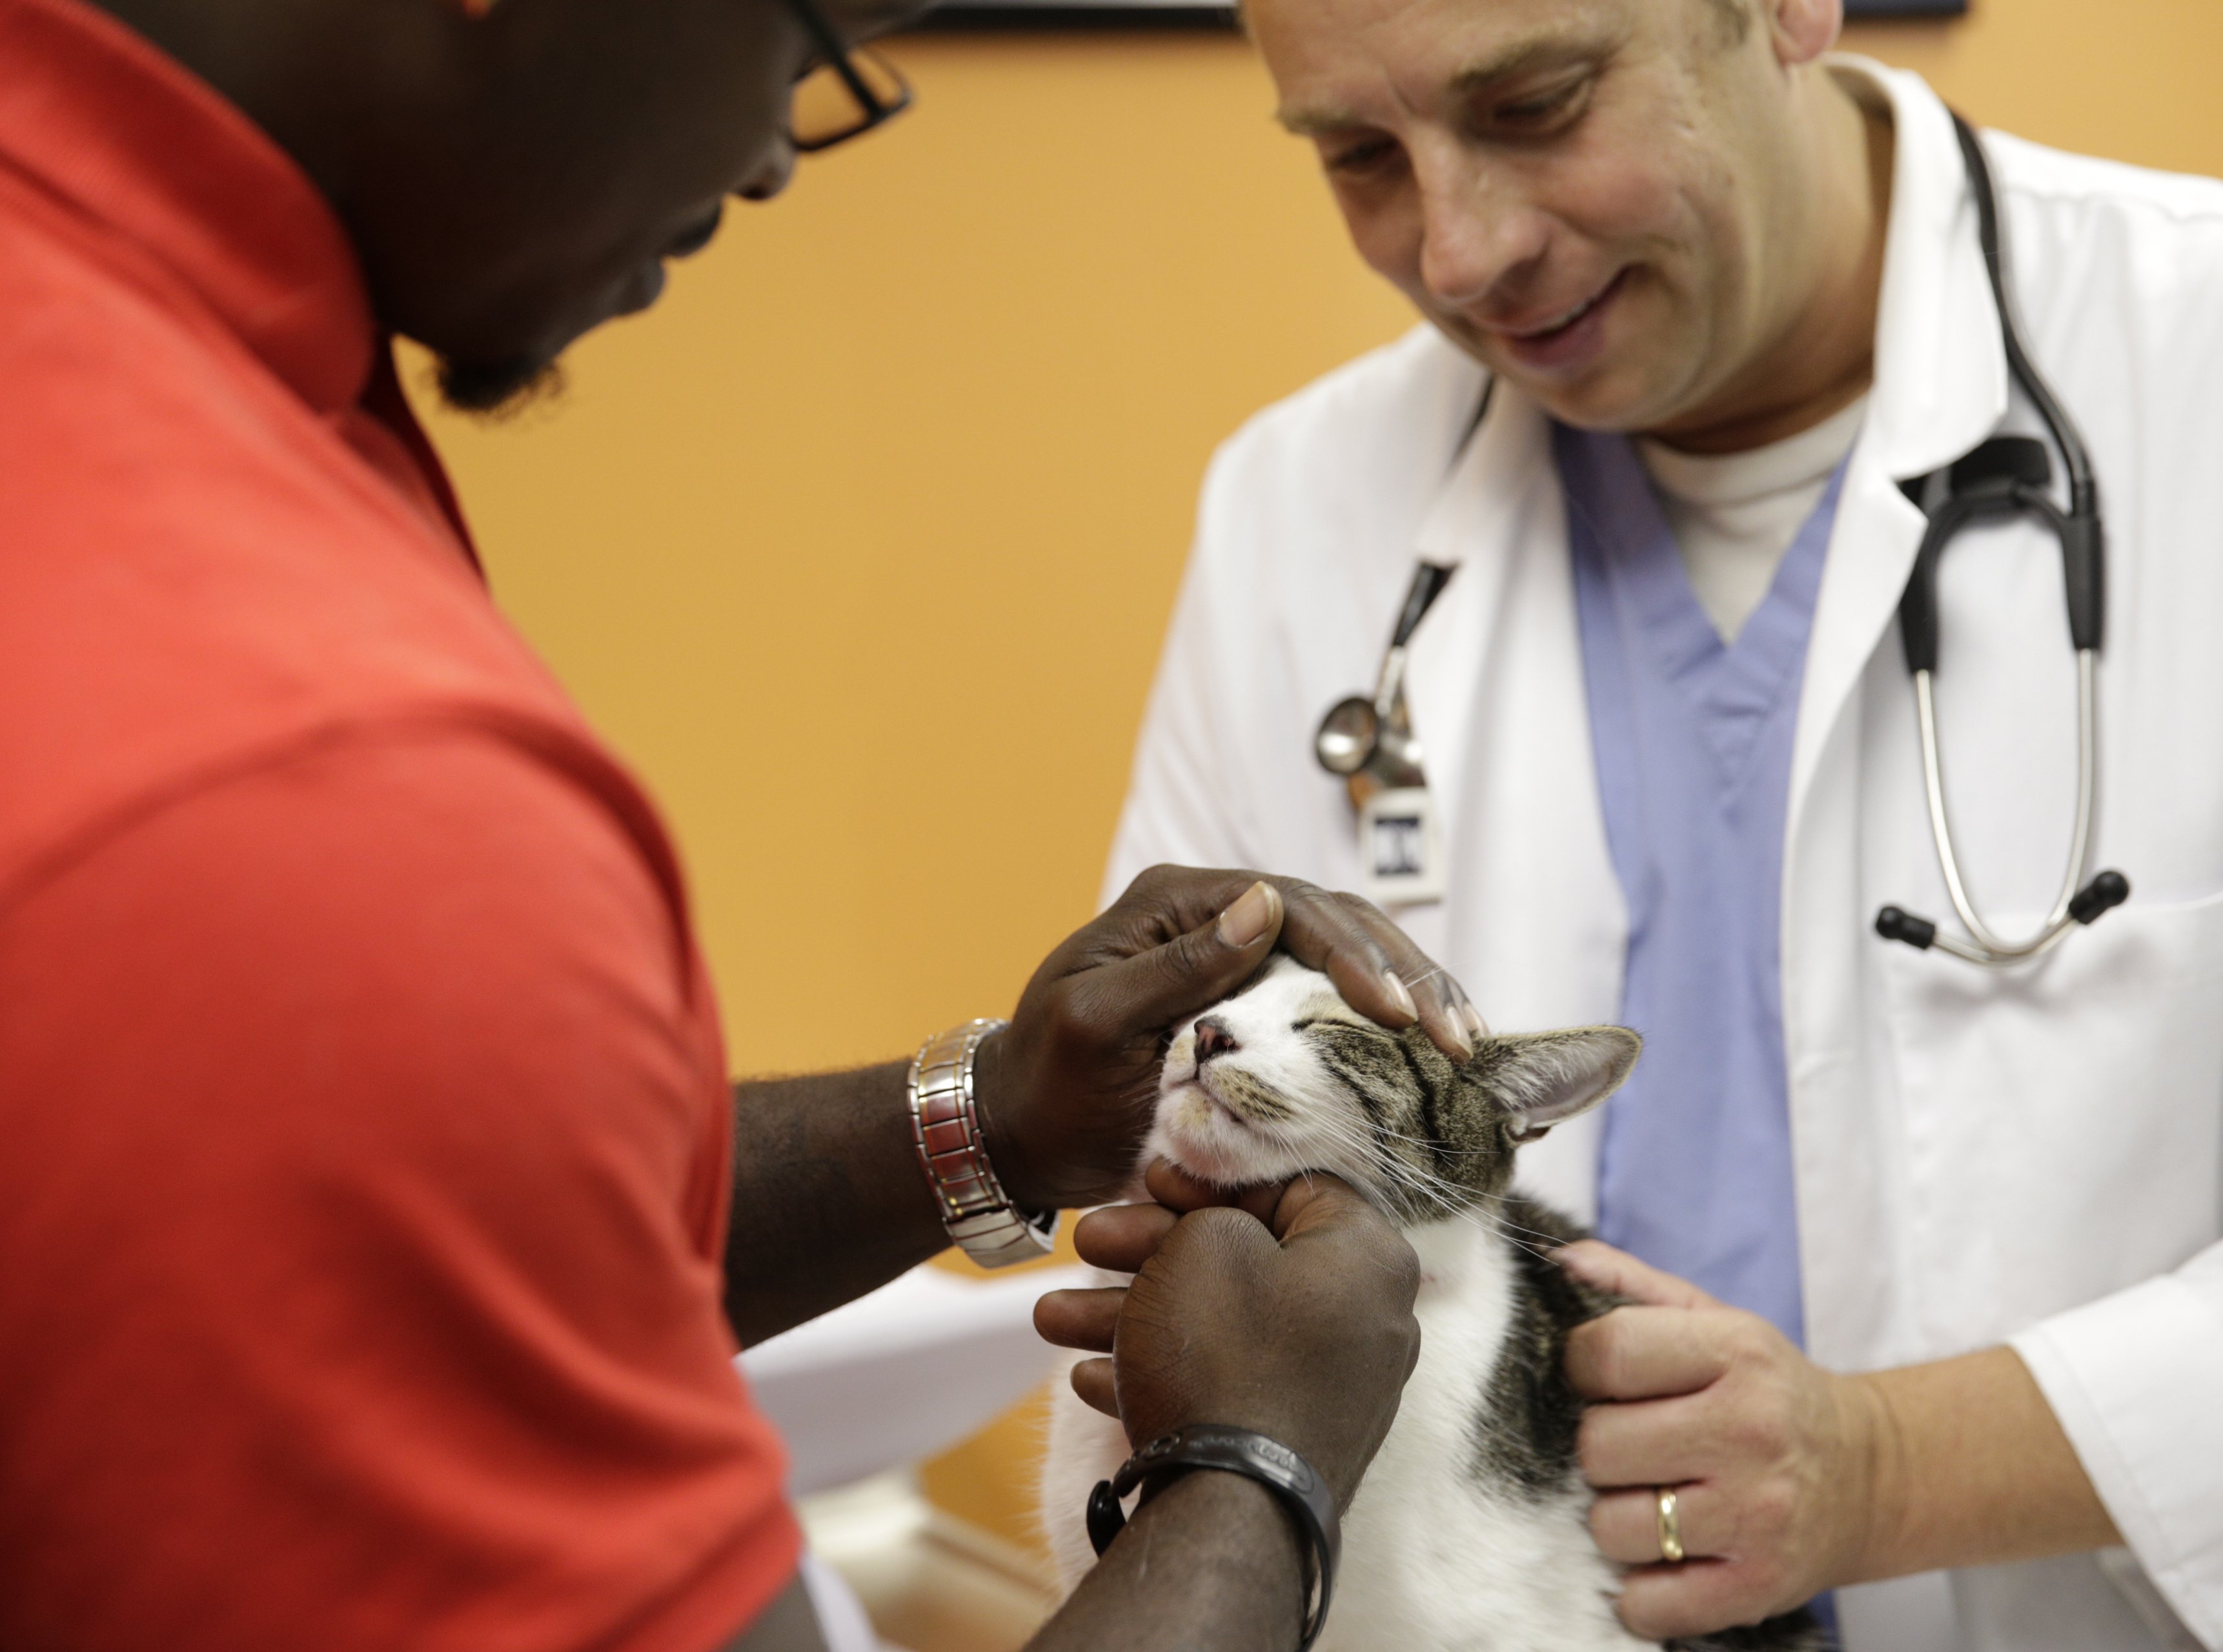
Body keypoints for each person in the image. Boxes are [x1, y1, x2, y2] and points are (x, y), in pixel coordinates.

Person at [0, 0, 1461, 1646]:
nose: (772, 155)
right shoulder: (319, 784)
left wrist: (996, 1114)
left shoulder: (129, 339)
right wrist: (1253, 1464)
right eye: (806, 40)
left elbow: (400, 1253)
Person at [1102, 0, 2223, 1648]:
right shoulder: (1297, 504)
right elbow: (1162, 1114)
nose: (1459, 251)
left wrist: (1883, 1467)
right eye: (1357, 155)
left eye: (1537, 103)